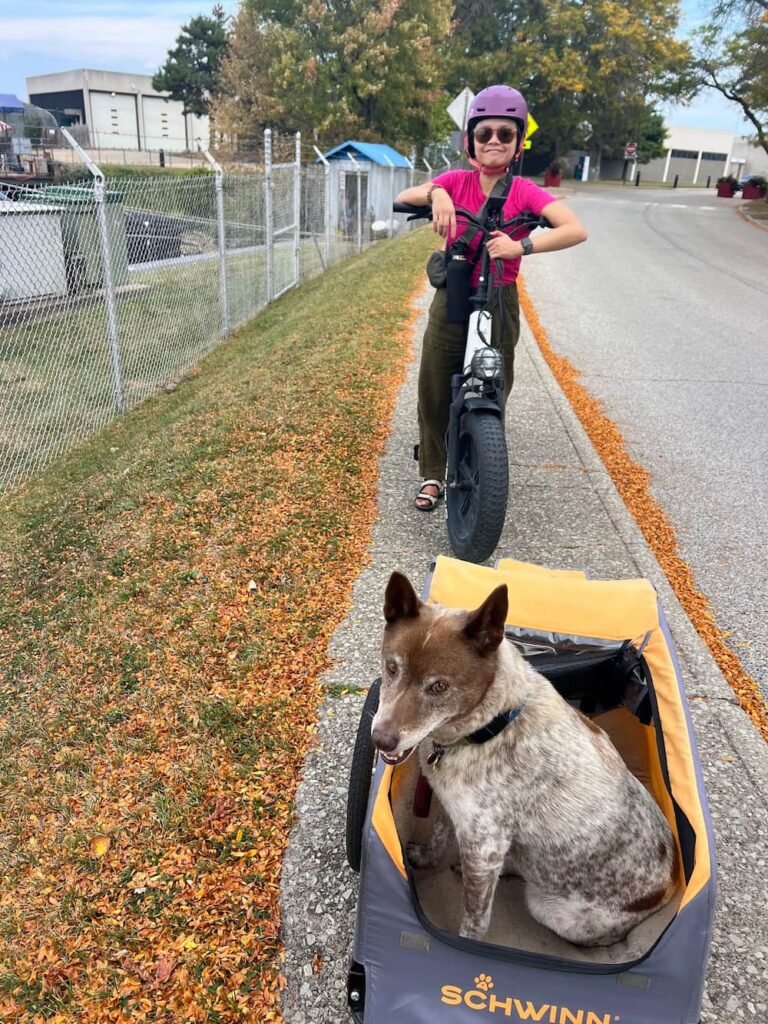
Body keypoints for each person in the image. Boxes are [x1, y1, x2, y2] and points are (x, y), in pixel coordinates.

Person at [395, 85, 588, 510]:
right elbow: (403, 197)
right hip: (455, 294)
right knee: (433, 386)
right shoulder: (455, 182)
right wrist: (437, 194)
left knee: (494, 384)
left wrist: (523, 246)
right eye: (485, 134)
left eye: (505, 133)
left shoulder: (524, 193)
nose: (494, 141)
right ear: (471, 144)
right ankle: (432, 472)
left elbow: (574, 228)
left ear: (518, 143)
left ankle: (481, 455)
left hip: (499, 298)